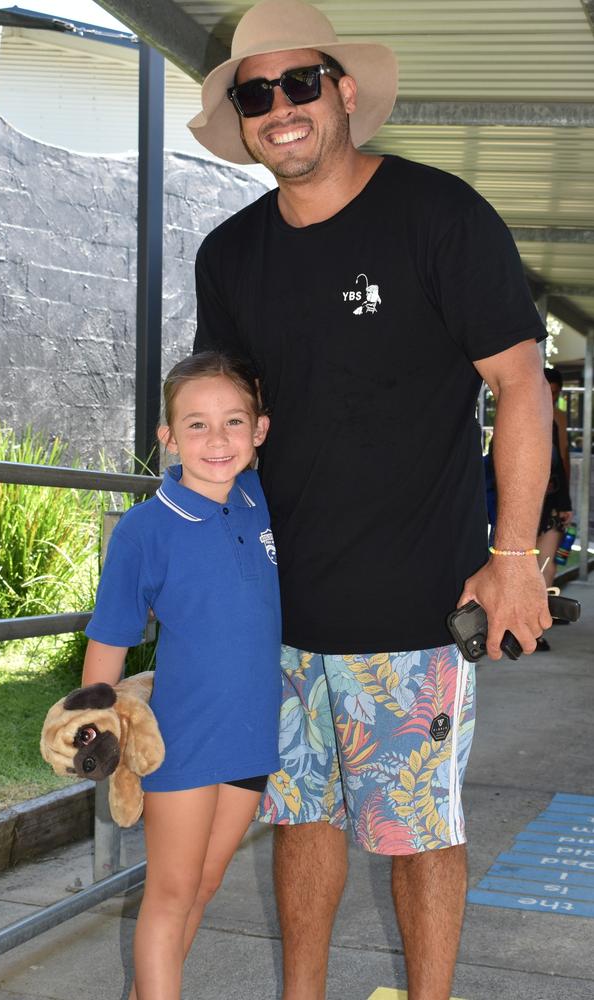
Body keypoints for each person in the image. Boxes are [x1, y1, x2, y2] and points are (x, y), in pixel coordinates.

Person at [188, 2, 553, 997]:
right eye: (254, 94)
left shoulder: (438, 218)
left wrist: (513, 555)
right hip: (280, 617)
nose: (278, 108)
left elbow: (521, 383)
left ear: (344, 93)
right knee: (298, 821)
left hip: (414, 615)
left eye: (298, 82)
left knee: (418, 833)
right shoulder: (228, 257)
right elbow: (228, 430)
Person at [81, 352, 281, 1000]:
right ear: (167, 437)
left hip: (251, 736)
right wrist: (91, 724)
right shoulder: (145, 530)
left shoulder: (258, 501)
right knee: (170, 891)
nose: (216, 440)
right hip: (182, 738)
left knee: (205, 882)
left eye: (232, 422)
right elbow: (110, 638)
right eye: (196, 425)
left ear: (259, 431)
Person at [536, 368, 572, 590]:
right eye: (545, 392)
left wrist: (565, 503)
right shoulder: (522, 414)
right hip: (527, 499)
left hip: (553, 498)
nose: (550, 398)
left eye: (555, 393)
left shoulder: (558, 417)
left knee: (547, 566)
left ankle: (542, 617)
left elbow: (564, 457)